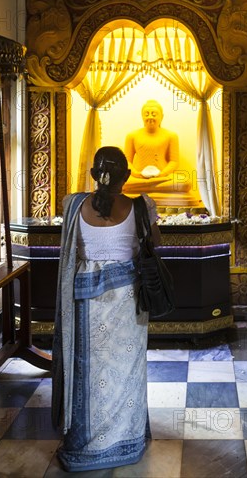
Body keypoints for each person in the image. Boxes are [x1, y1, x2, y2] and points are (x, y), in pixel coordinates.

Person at [51, 146, 160, 472]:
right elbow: (155, 243)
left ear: (94, 176)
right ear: (127, 176)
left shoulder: (72, 205)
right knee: (127, 371)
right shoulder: (142, 207)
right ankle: (126, 440)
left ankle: (86, 446)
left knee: (87, 370)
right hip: (129, 303)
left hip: (85, 304)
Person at [123, 99, 192, 196]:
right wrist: (136, 174)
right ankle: (151, 186)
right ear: (142, 116)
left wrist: (162, 174)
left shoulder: (171, 136)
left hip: (162, 177)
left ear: (162, 117)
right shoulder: (132, 136)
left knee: (185, 183)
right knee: (122, 183)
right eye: (146, 114)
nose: (150, 117)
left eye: (154, 114)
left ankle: (147, 187)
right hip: (138, 178)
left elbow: (174, 162)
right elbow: (127, 162)